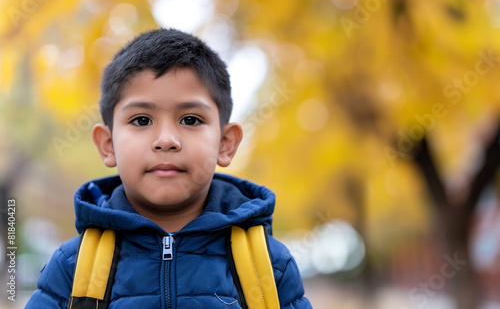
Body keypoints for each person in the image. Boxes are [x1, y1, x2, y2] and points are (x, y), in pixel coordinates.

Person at [26, 28, 312, 308]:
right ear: (108, 144)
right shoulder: (73, 268)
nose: (166, 140)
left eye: (190, 120)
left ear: (225, 143)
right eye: (141, 120)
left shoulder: (268, 267)